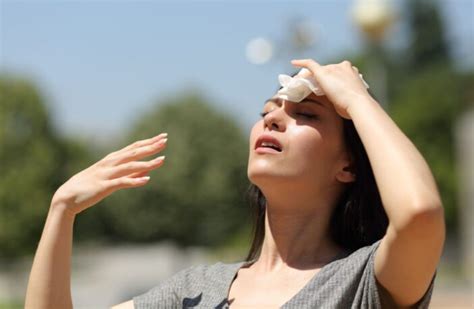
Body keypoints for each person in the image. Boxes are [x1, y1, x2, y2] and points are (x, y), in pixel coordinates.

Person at [25, 59, 445, 309]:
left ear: (349, 166)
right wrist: (62, 210)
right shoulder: (194, 291)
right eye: (267, 110)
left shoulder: (363, 282)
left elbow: (419, 214)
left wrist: (356, 98)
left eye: (308, 115)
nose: (273, 118)